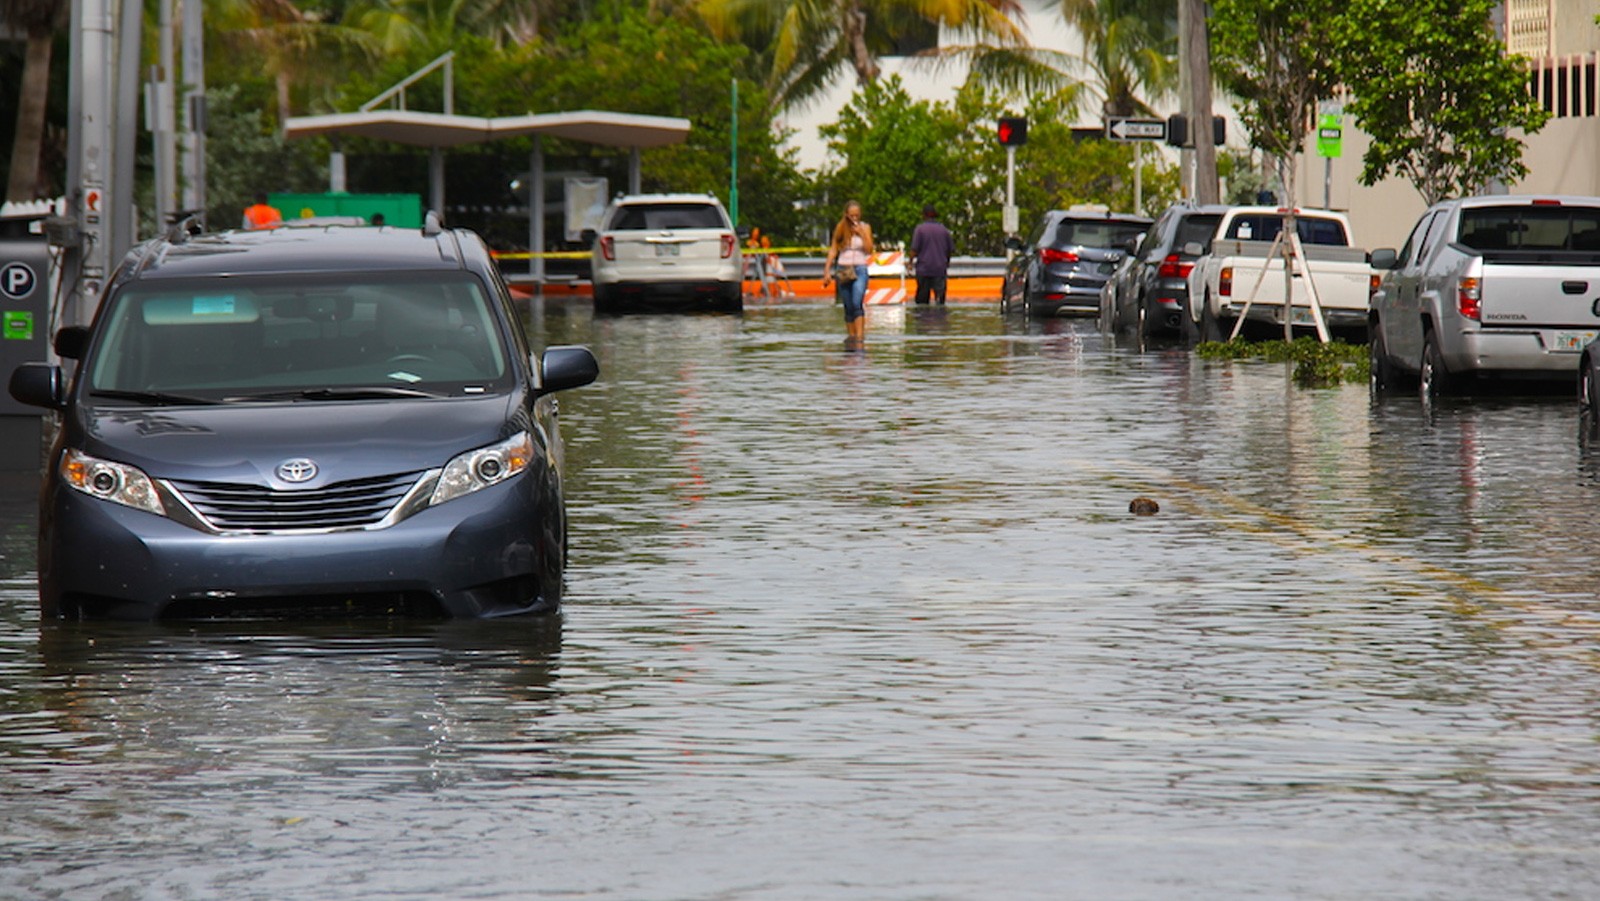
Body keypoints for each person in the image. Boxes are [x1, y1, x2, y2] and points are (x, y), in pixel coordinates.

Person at [822, 200, 874, 346]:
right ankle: (851, 337)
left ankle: (860, 338)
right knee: (848, 305)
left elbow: (869, 249)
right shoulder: (840, 228)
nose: (854, 218)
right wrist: (827, 270)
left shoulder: (865, 227)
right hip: (843, 269)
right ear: (846, 215)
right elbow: (833, 249)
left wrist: (862, 234)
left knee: (857, 302)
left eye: (857, 215)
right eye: (852, 216)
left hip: (859, 268)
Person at [908, 204, 955, 305]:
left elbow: (914, 249)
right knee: (940, 301)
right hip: (939, 269)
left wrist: (910, 263)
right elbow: (950, 250)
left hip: (924, 269)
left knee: (922, 302)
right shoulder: (944, 230)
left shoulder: (920, 229)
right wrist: (946, 262)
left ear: (924, 215)